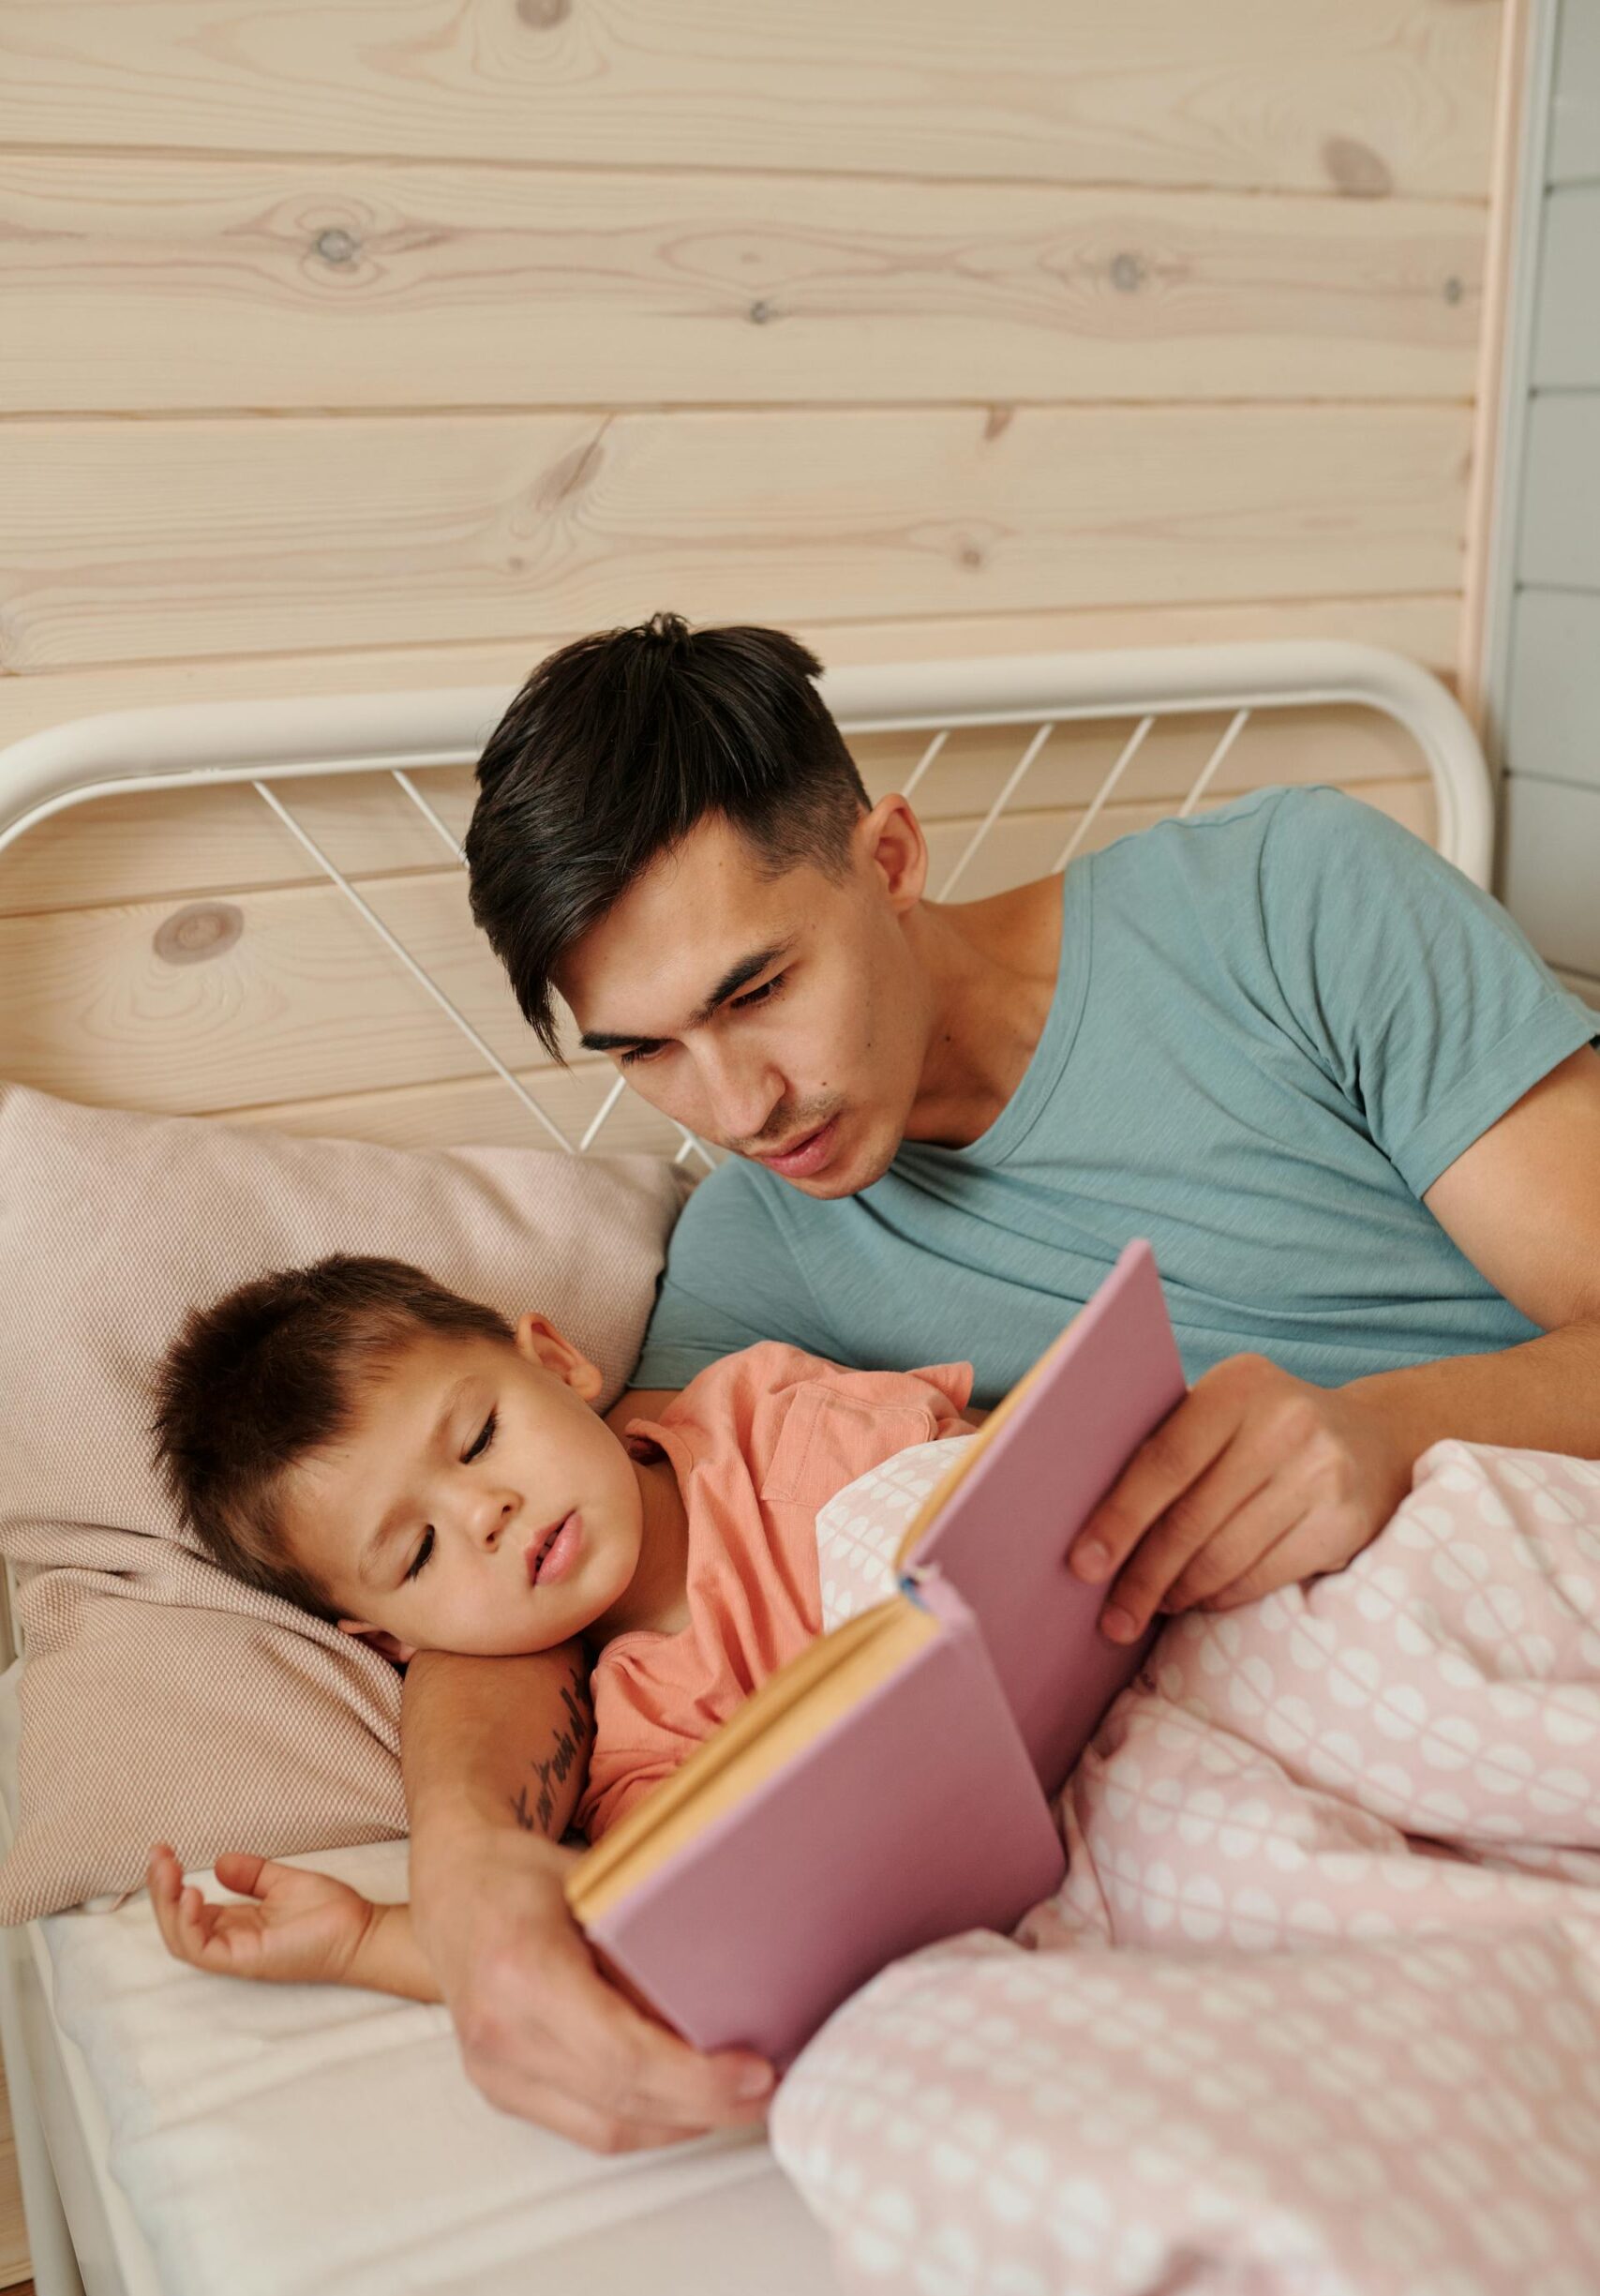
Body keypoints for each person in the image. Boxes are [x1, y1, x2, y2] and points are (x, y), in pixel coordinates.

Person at [400, 612, 1600, 2153]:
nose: (737, 1105)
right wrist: (464, 1869)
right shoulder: (757, 1268)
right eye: (648, 1054)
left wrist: (1386, 1429)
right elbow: (541, 1598)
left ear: (888, 857)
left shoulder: (1292, 904)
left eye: (757, 989)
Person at [145, 1253, 973, 2041]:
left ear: (556, 1362)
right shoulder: (640, 1745)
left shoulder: (774, 1418)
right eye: (418, 1553)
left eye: (478, 1439)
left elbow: (1020, 1487)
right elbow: (722, 1936)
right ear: (397, 1640)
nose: (484, 1512)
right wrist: (375, 1943)